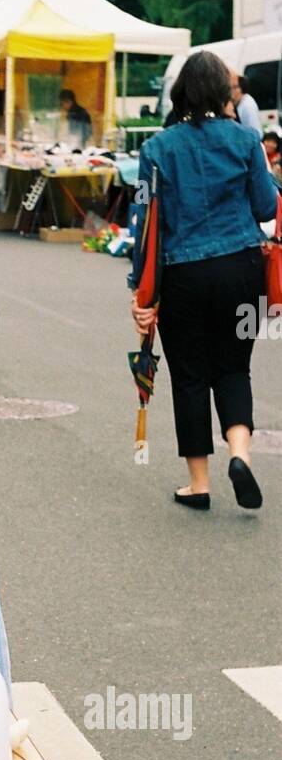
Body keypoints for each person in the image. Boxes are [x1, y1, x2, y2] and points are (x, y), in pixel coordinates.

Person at [129, 50, 278, 511]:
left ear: (179, 93)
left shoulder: (157, 149)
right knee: (235, 367)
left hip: (183, 275)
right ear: (223, 92)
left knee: (191, 375)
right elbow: (266, 208)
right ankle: (240, 453)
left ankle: (199, 484)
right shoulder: (246, 140)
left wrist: (141, 291)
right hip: (243, 269)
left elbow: (145, 223)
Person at [230, 72, 262, 138]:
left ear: (241, 88)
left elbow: (255, 131)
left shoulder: (247, 105)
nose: (231, 90)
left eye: (234, 87)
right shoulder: (241, 103)